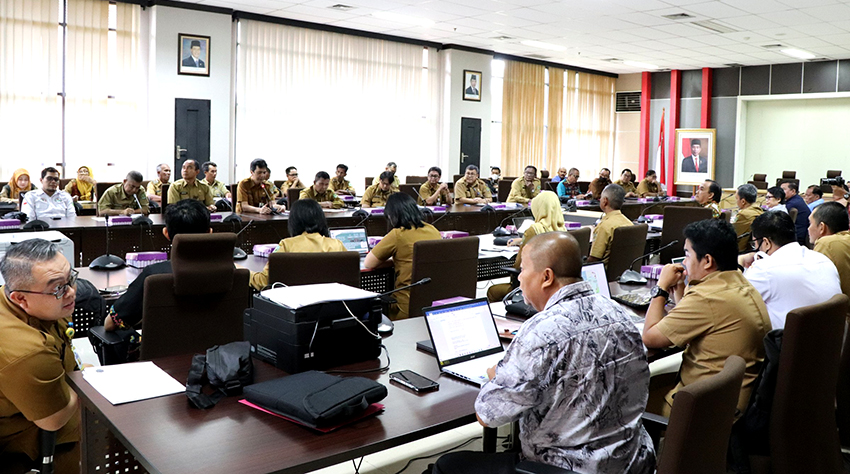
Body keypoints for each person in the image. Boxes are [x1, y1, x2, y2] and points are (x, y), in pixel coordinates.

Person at [432, 232, 656, 474]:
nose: (518, 278)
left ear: (546, 277)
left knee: (447, 466)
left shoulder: (542, 331)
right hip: (631, 462)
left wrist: (497, 375)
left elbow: (488, 415)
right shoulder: (617, 312)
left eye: (523, 269)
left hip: (566, 468)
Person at [642, 218, 771, 417]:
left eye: (687, 254)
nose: (684, 262)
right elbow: (700, 319)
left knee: (629, 401)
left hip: (703, 407)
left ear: (708, 260)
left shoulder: (706, 297)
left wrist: (660, 288)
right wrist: (680, 290)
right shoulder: (739, 283)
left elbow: (650, 337)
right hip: (733, 397)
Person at [0, 239, 81, 472]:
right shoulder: (27, 351)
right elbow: (53, 419)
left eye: (70, 279)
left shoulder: (19, 301)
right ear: (20, 298)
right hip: (28, 447)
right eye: (58, 288)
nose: (71, 292)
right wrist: (82, 383)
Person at [104, 200, 211, 331]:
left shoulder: (154, 275)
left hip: (165, 349)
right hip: (220, 350)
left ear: (166, 233)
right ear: (209, 232)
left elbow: (110, 324)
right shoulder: (229, 272)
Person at [740, 211, 840, 329]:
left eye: (755, 244)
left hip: (785, 344)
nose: (755, 248)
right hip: (833, 341)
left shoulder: (765, 269)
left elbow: (735, 302)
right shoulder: (823, 259)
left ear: (766, 243)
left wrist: (739, 264)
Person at [363, 193, 441, 319]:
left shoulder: (398, 234)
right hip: (432, 302)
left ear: (392, 215)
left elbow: (369, 263)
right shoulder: (433, 230)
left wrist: (394, 260)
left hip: (405, 305)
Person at [248, 199, 347, 290]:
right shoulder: (337, 245)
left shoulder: (287, 245)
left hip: (296, 306)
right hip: (332, 305)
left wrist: (241, 269)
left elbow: (264, 282)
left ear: (294, 221)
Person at [486, 191, 566, 303]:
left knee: (493, 291)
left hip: (534, 287)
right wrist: (522, 240)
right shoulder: (563, 230)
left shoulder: (534, 230)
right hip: (556, 286)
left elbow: (520, 264)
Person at [809, 202, 850, 299]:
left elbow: (814, 283)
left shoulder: (826, 243)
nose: (808, 228)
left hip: (841, 311)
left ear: (822, 227)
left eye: (810, 223)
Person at [587, 184, 632, 265]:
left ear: (605, 201)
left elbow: (594, 259)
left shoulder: (604, 227)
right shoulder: (630, 224)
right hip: (626, 274)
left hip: (604, 274)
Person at [732, 183, 763, 252]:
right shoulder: (759, 210)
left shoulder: (743, 215)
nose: (736, 201)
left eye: (736, 198)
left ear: (743, 201)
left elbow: (732, 234)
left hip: (740, 251)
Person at [780, 180, 811, 245]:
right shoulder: (796, 199)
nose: (780, 192)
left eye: (783, 189)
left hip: (797, 236)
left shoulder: (793, 203)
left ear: (793, 191)